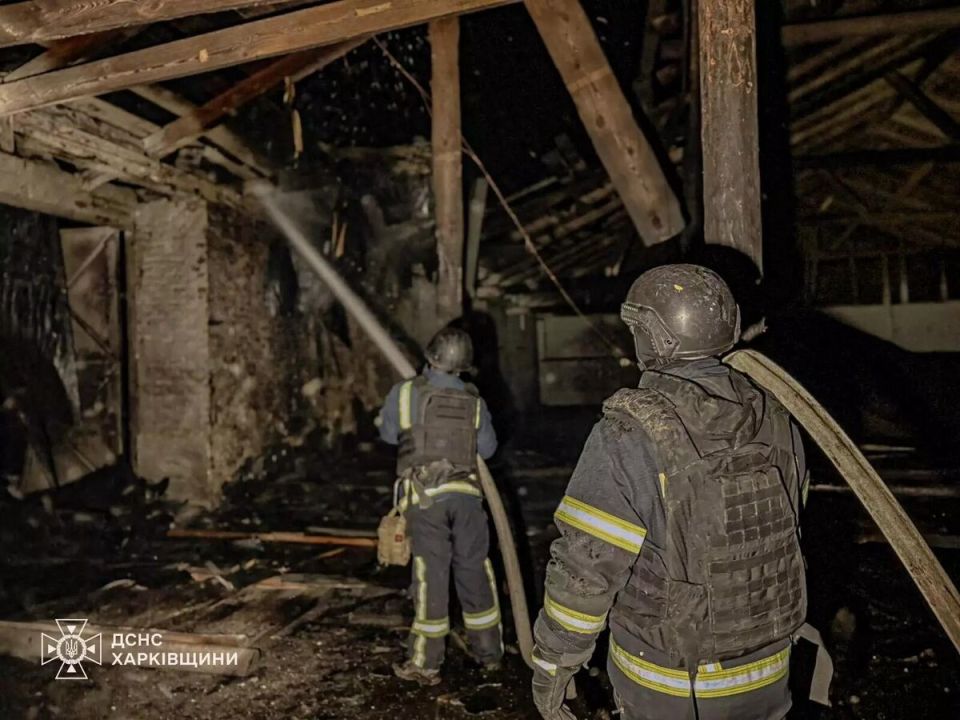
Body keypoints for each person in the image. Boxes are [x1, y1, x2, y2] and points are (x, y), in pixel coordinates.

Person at [531, 264, 809, 720]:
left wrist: (553, 662)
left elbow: (586, 566)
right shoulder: (777, 414)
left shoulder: (632, 431)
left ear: (654, 337)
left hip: (673, 679)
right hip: (770, 665)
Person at [378, 326, 502, 686]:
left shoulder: (405, 394)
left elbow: (389, 435)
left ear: (430, 356)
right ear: (464, 366)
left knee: (430, 576)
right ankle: (490, 653)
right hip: (466, 500)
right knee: (475, 570)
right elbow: (488, 449)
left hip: (425, 500)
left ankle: (426, 662)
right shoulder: (474, 400)